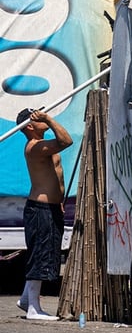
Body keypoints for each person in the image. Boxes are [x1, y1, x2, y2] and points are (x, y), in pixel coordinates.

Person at [15, 108, 72, 321]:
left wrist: (59, 201)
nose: (43, 116)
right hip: (40, 209)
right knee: (39, 255)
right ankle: (34, 309)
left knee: (46, 253)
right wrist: (48, 118)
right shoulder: (34, 147)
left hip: (52, 207)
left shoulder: (45, 144)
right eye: (36, 118)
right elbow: (67, 141)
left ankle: (25, 299)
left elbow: (56, 176)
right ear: (29, 126)